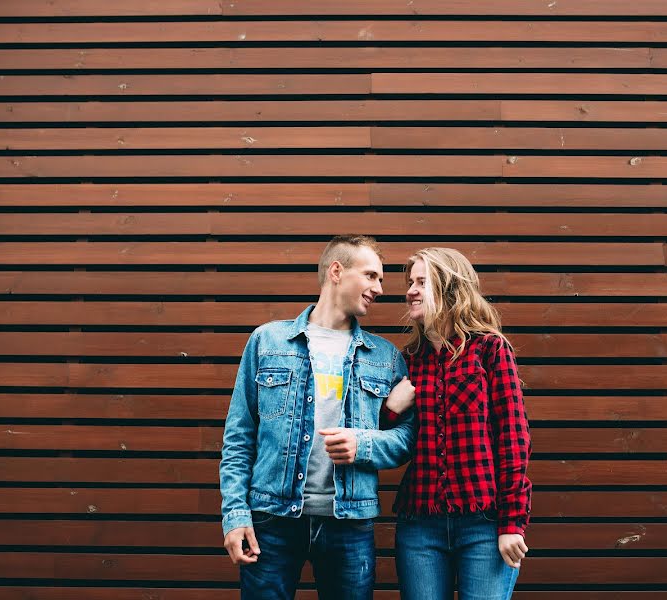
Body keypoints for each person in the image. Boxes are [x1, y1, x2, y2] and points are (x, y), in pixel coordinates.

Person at [220, 234, 417, 600]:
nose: (380, 288)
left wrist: (364, 444)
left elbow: (409, 438)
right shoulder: (267, 341)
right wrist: (235, 516)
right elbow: (239, 437)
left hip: (349, 522)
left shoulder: (385, 357)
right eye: (372, 275)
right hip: (271, 519)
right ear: (337, 271)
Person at [384, 247, 532, 600]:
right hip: (420, 525)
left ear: (450, 289)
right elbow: (386, 440)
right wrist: (390, 410)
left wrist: (512, 523)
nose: (410, 291)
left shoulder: (490, 350)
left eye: (422, 282)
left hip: (484, 523)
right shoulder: (407, 361)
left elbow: (513, 437)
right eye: (410, 282)